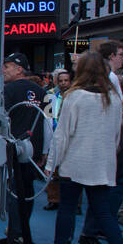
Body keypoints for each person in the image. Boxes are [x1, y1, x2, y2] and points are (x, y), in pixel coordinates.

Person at [42, 50, 123, 244]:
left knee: (67, 208)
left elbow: (62, 134)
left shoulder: (75, 97)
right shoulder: (112, 98)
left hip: (75, 162)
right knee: (103, 212)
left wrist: (51, 163)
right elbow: (116, 134)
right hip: (102, 163)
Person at [79, 40, 123, 244]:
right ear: (111, 56)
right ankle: (101, 228)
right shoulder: (108, 80)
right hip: (110, 142)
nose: (122, 58)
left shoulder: (104, 82)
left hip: (106, 143)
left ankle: (97, 228)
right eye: (120, 54)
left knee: (103, 188)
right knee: (110, 187)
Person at [2, 52, 45, 244]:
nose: (4, 70)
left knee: (14, 190)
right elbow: (46, 123)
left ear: (19, 69)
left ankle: (16, 231)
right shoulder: (41, 91)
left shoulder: (8, 90)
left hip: (13, 147)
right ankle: (22, 229)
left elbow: (2, 119)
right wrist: (44, 151)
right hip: (33, 148)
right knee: (28, 190)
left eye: (8, 66)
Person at [42, 69, 72, 210]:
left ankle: (75, 203)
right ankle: (53, 199)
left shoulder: (75, 96)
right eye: (61, 81)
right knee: (53, 171)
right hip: (54, 133)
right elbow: (47, 119)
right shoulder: (50, 96)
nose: (64, 83)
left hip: (70, 137)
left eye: (66, 80)